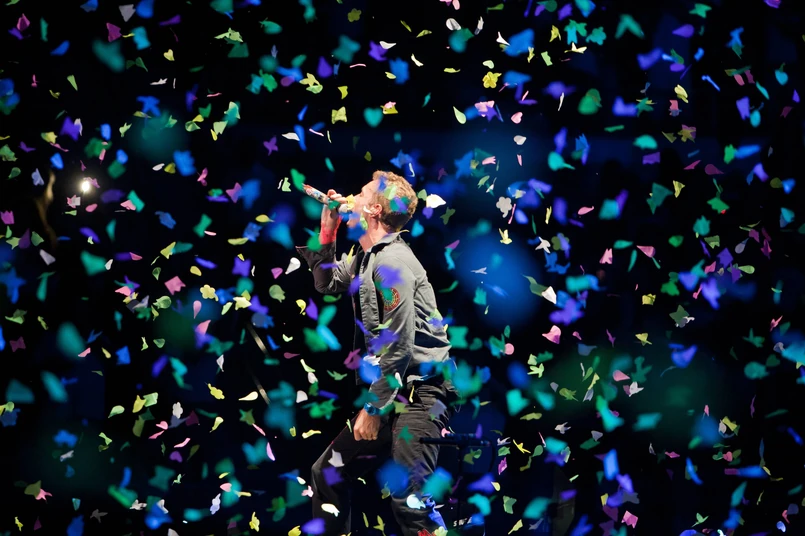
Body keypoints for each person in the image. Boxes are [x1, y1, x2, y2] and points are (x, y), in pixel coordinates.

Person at [295, 171, 460, 536]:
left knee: (410, 498)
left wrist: (372, 410)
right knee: (328, 472)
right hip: (394, 390)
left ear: (372, 210)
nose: (351, 196)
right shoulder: (367, 257)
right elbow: (328, 283)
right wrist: (328, 231)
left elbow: (398, 347)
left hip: (422, 394)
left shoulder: (392, 263)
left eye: (361, 192)